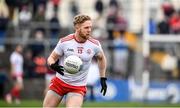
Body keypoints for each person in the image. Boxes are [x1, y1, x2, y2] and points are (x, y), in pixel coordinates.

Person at [43, 14, 107, 107]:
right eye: (86, 27)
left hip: (77, 87)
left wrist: (103, 78)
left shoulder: (95, 45)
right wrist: (53, 65)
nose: (89, 30)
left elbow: (102, 58)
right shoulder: (65, 42)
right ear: (77, 27)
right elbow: (51, 58)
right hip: (59, 83)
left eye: (90, 27)